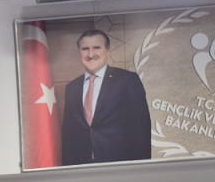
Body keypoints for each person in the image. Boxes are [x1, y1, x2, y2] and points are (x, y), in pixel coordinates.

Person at [59, 27, 152, 165]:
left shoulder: (127, 80)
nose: (90, 54)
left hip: (120, 165)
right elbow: (68, 135)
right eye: (85, 49)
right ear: (79, 52)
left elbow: (142, 128)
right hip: (82, 166)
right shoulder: (72, 88)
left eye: (97, 48)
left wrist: (140, 168)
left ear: (107, 51)